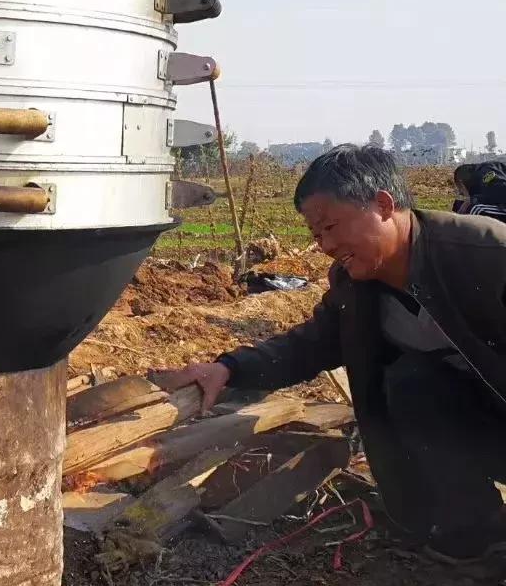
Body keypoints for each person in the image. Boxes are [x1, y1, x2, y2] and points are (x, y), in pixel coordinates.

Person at [156, 144, 506, 564]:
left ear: (382, 204)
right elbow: (311, 344)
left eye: (331, 226)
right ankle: (477, 531)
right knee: (413, 384)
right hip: (482, 426)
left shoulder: (486, 257)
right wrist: (228, 368)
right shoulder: (356, 286)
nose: (324, 245)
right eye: (316, 234)